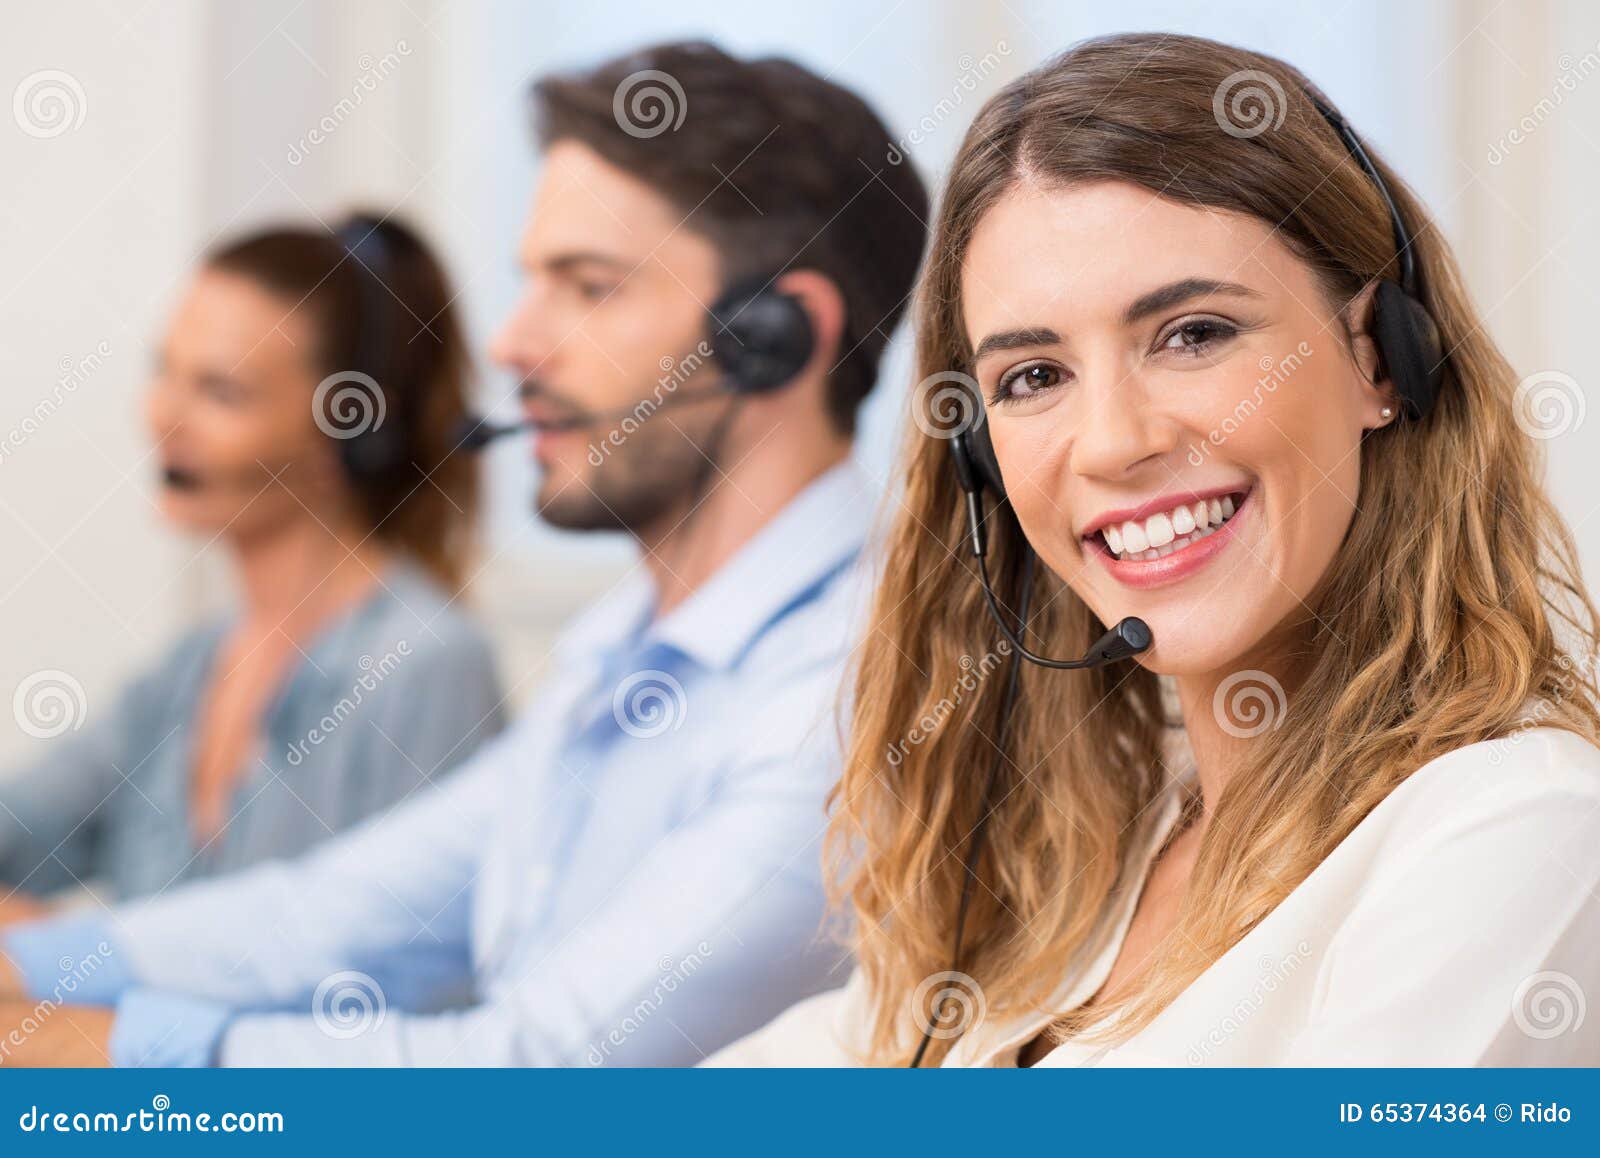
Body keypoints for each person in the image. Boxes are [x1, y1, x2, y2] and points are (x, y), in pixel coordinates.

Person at [0, 40, 929, 1066]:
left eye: (588, 286)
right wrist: (36, 972)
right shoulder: (621, 651)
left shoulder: (850, 692)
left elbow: (542, 1073)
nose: (512, 343)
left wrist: (88, 1050)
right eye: (531, 283)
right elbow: (327, 918)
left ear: (775, 336)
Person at [707, 32, 1600, 1068]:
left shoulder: (1511, 827)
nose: (1116, 443)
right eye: (1033, 377)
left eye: (1193, 333)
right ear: (978, 458)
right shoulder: (1084, 868)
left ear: (1378, 357)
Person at [0, 214, 503, 913]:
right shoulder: (191, 670)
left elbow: (400, 977)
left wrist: (62, 950)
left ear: (348, 434)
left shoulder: (425, 667)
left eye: (220, 392)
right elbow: (17, 833)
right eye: (164, 372)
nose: (162, 418)